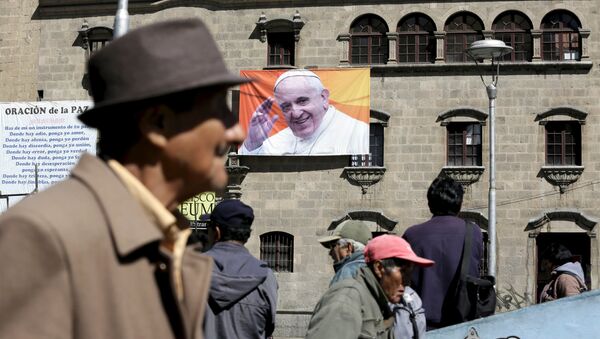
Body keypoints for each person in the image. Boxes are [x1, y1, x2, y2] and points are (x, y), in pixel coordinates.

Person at [0, 19, 247, 339]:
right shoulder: (45, 236)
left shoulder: (172, 245)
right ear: (158, 123)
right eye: (219, 112)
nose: (237, 130)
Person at [306, 235, 434, 339]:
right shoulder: (346, 300)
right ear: (379, 268)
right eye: (403, 272)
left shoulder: (380, 302)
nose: (407, 282)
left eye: (410, 273)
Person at [402, 176, 483, 329]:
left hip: (421, 325)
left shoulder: (412, 235)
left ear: (429, 203)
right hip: (461, 324)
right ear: (459, 203)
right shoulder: (474, 232)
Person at [238, 69, 369, 155]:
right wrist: (253, 143)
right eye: (286, 106)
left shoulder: (358, 132)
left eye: (302, 101)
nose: (295, 113)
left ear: (323, 98)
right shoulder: (278, 140)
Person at [203, 199, 278, 339]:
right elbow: (268, 329)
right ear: (246, 236)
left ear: (217, 231)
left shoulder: (189, 269)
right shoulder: (267, 277)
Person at [317, 219, 372, 285]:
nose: (330, 253)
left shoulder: (345, 274)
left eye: (333, 246)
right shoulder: (378, 270)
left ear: (349, 248)